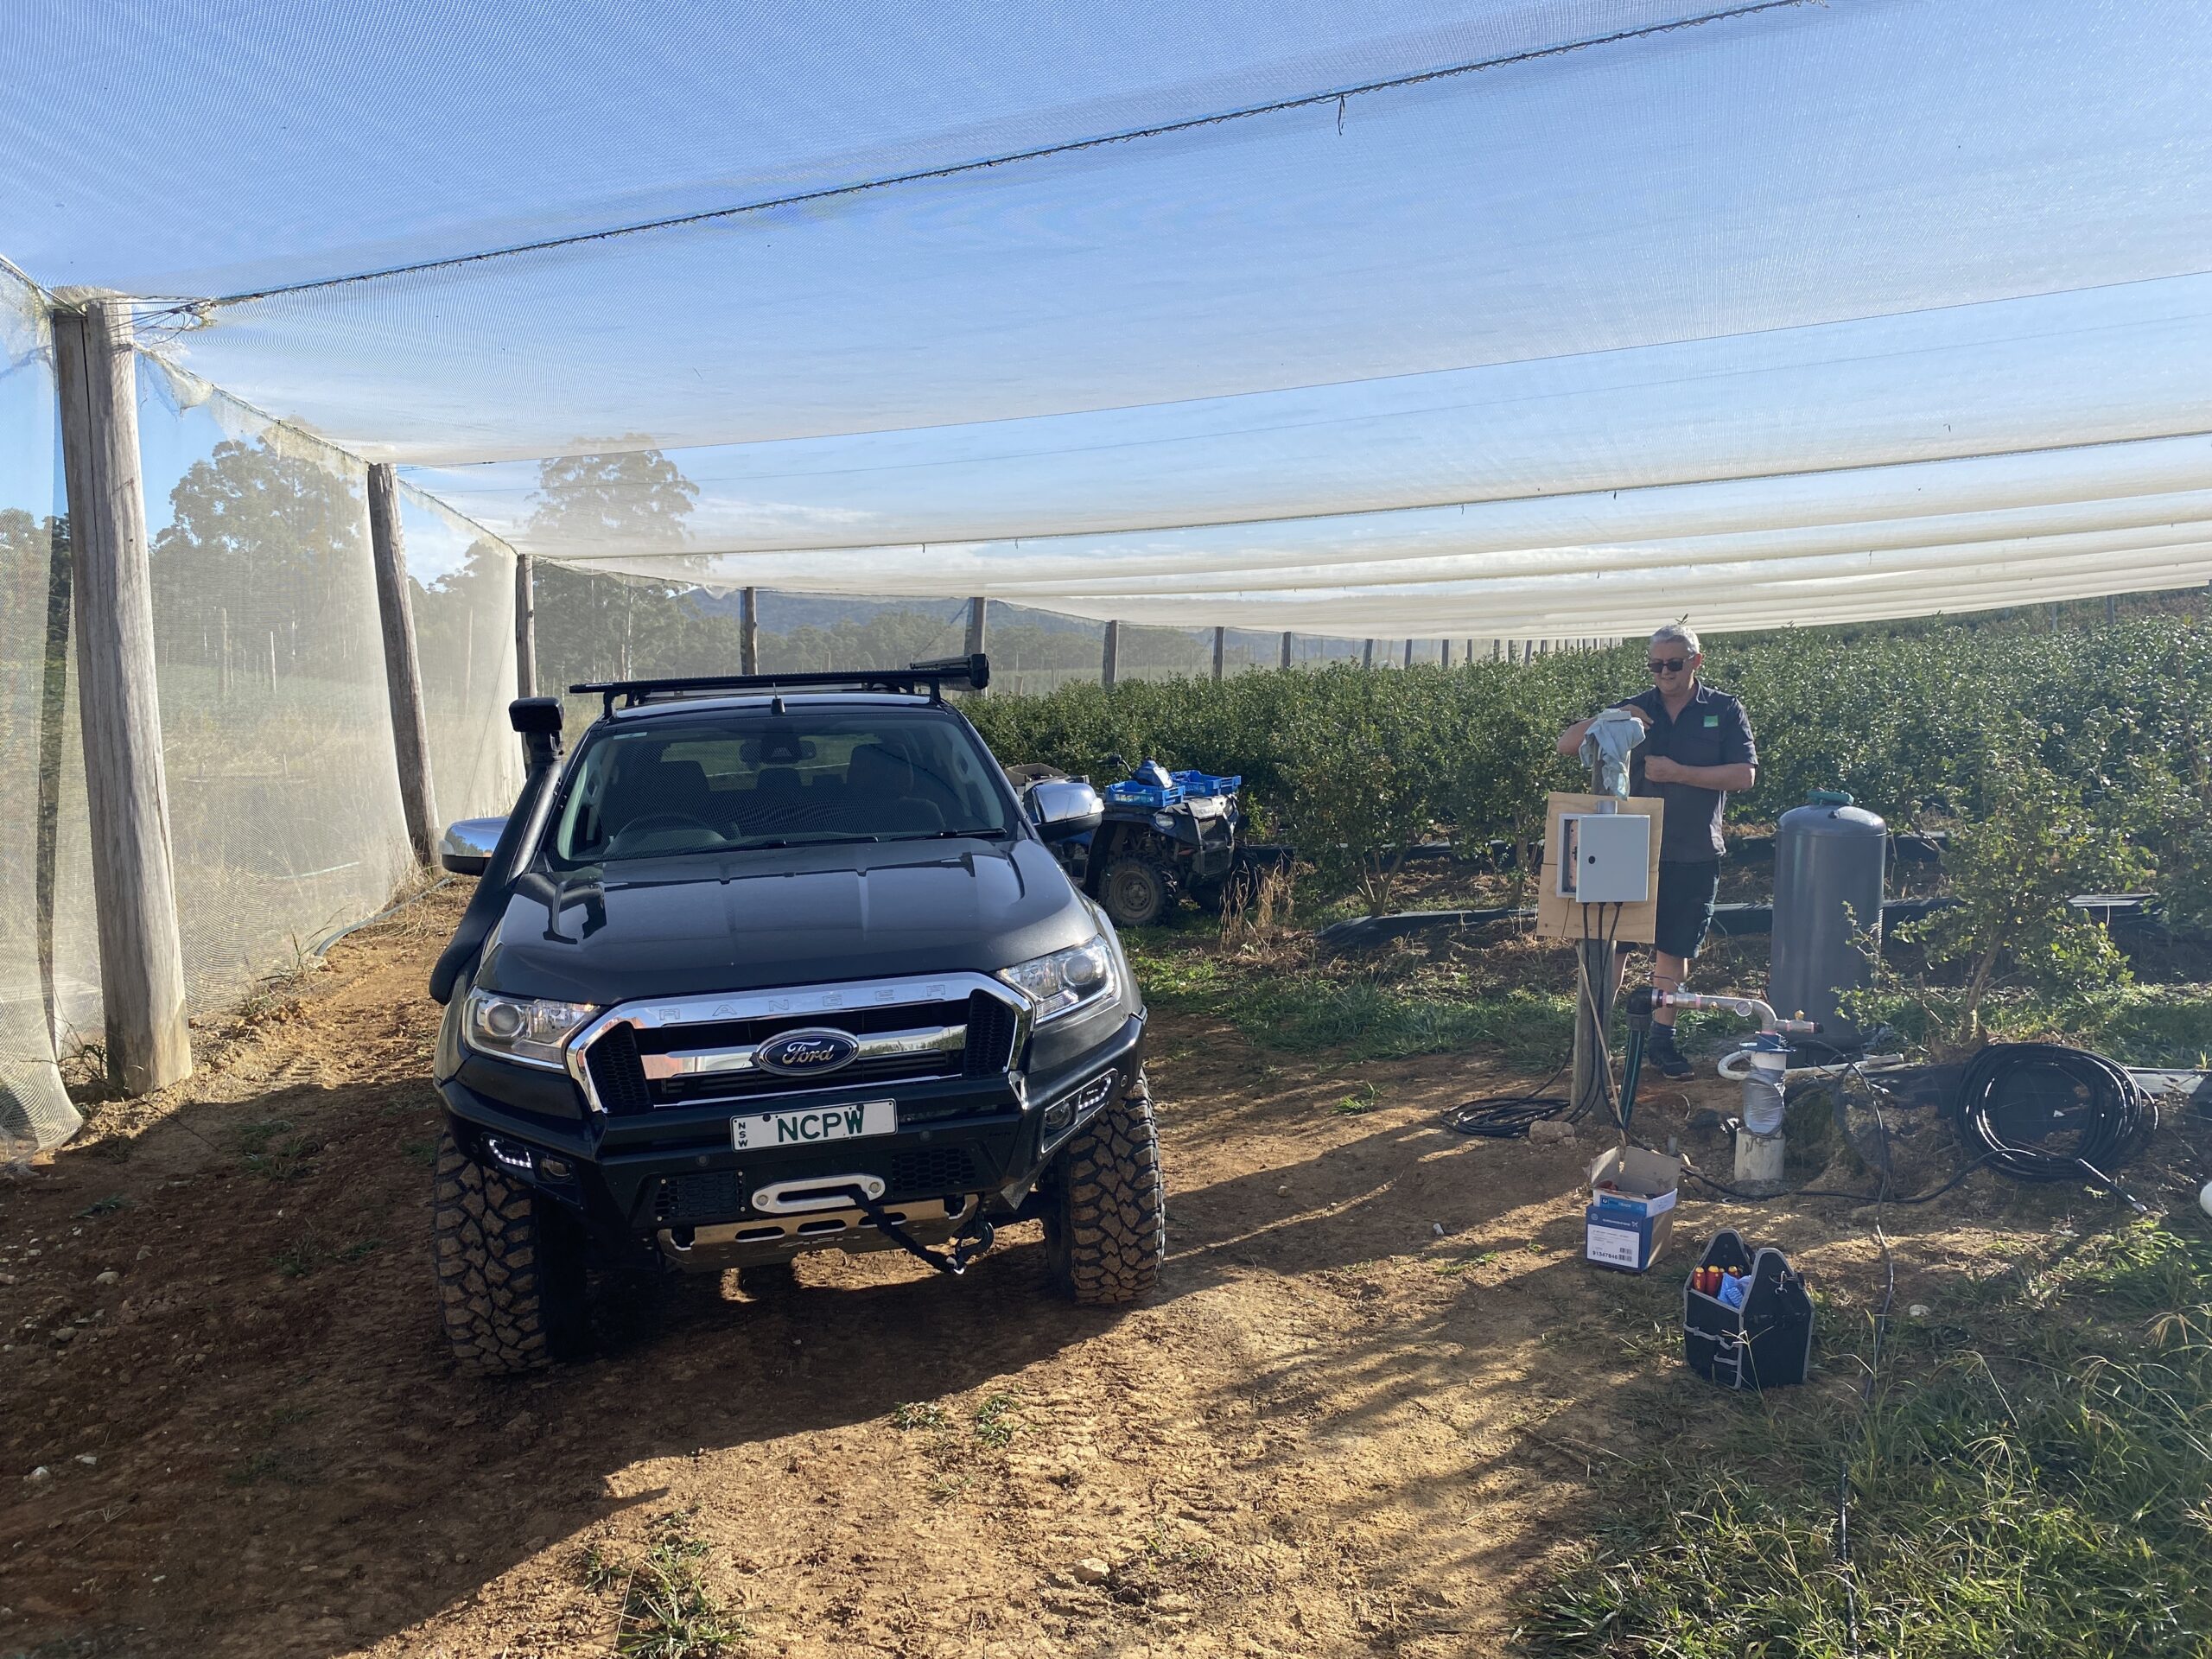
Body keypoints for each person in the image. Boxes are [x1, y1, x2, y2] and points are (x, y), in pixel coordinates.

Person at [1554, 624, 1757, 1078]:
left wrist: (1679, 773)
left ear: (1696, 662)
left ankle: (1660, 1043)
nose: (1664, 672)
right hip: (1630, 850)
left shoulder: (1724, 710)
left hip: (1693, 850)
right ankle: (1597, 1041)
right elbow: (1568, 743)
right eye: (1656, 664)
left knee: (1673, 948)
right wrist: (1611, 717)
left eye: (1673, 663)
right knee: (1614, 945)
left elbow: (1744, 776)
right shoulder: (1636, 709)